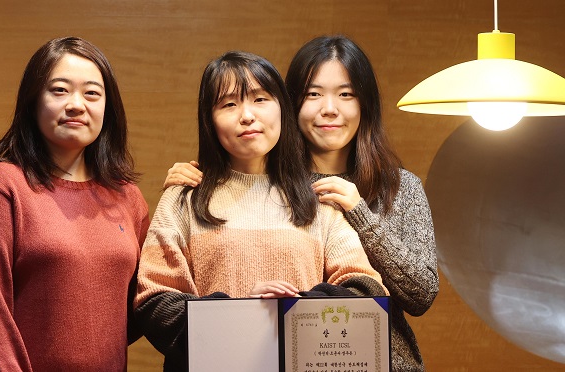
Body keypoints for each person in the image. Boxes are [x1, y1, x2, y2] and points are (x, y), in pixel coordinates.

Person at [164, 35, 439, 371]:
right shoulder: (274, 188)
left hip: (386, 361)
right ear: (289, 102)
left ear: (365, 103)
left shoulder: (398, 186)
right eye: (313, 94)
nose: (329, 109)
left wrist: (362, 216)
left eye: (346, 94)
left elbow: (421, 294)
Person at [0, 36, 149, 371]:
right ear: (33, 101)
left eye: (92, 93)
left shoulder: (127, 195)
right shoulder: (1, 186)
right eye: (59, 90)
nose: (76, 104)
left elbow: (142, 301)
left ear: (108, 107)